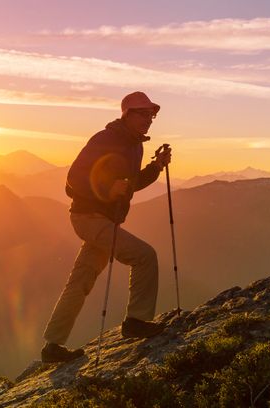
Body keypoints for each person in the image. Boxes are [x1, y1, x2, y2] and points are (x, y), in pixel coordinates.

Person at [41, 91, 172, 363]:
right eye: (143, 113)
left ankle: (52, 347)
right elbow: (75, 176)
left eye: (152, 115)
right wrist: (106, 187)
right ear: (127, 114)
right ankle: (136, 321)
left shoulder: (135, 145)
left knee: (80, 281)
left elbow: (131, 185)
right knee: (145, 256)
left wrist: (156, 167)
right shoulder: (106, 139)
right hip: (88, 218)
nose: (149, 119)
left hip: (102, 220)